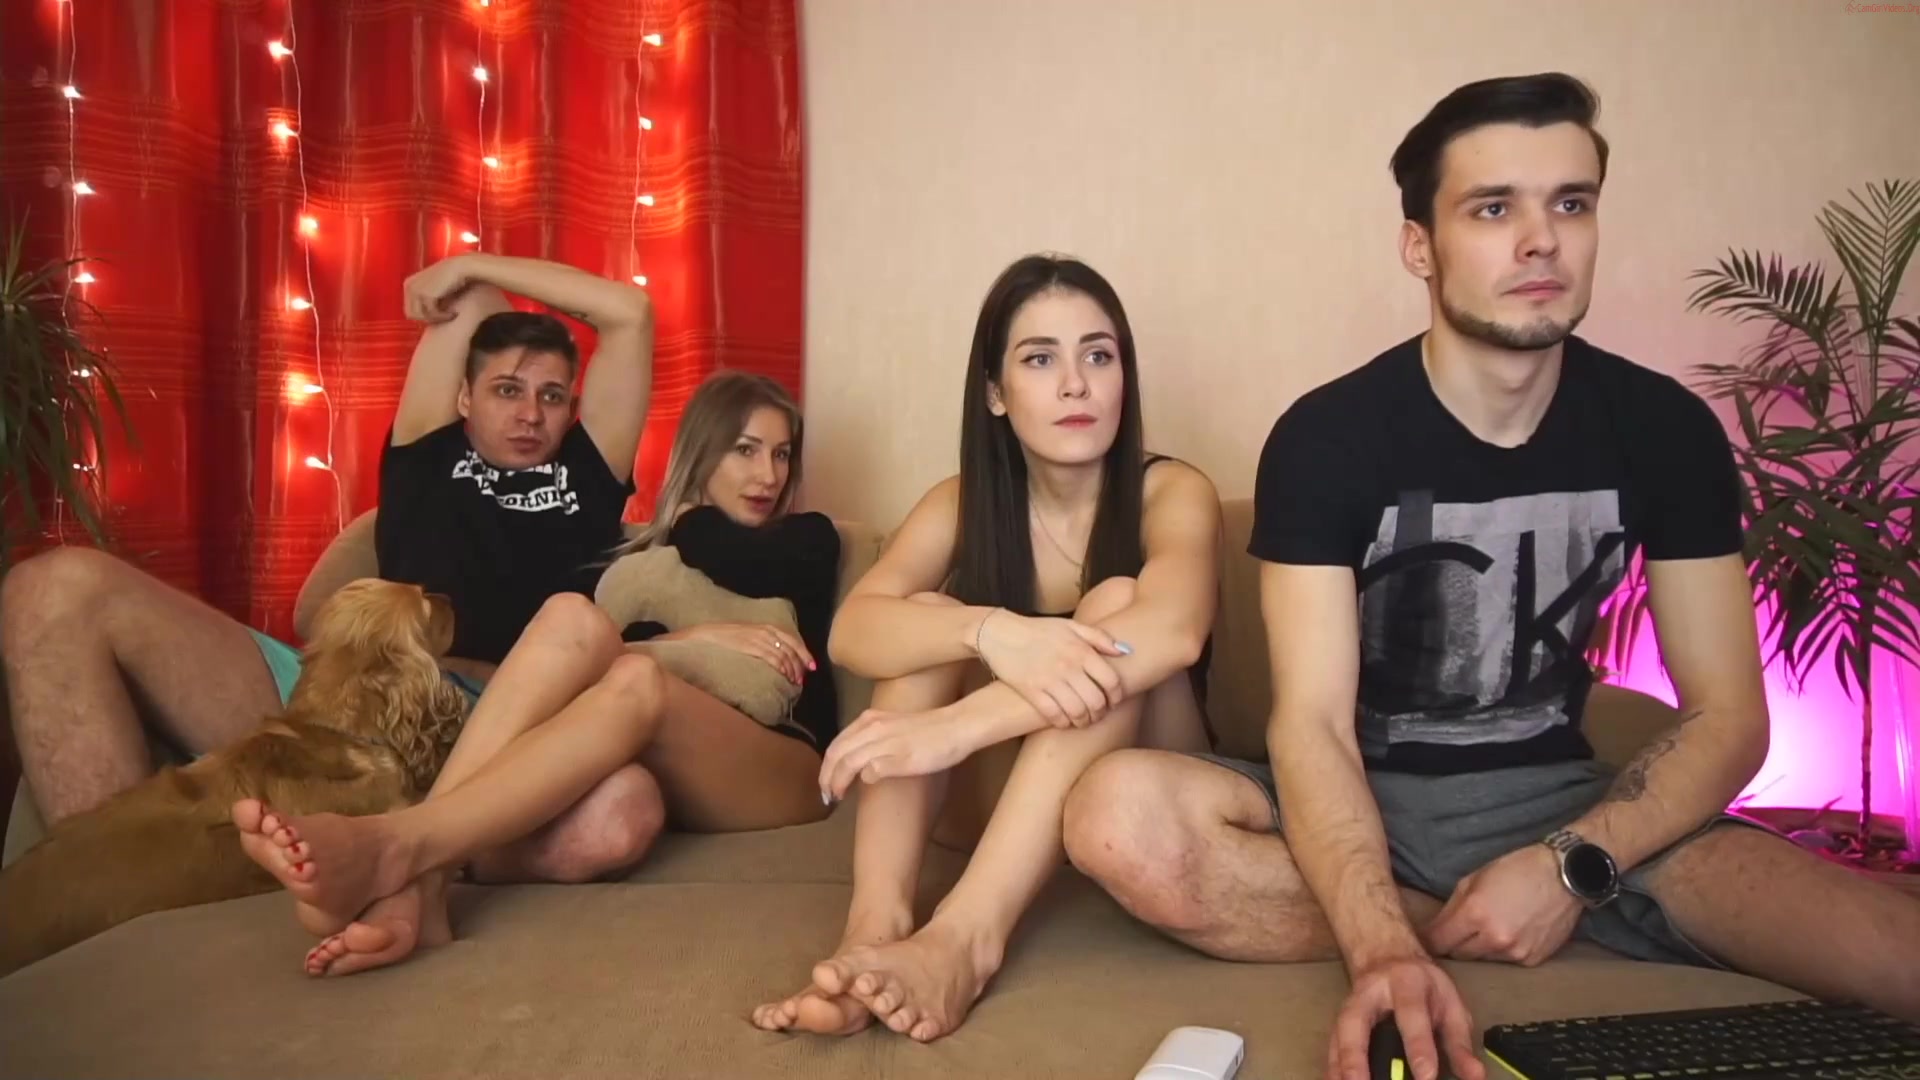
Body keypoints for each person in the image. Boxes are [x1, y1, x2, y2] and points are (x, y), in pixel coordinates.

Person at [1056, 71, 1920, 1080]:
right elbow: (1313, 724)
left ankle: (1526, 910)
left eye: (1571, 203)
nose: (1541, 240)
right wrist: (1380, 946)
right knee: (1117, 815)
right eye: (1494, 208)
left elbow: (1731, 718)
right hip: (1358, 809)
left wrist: (1569, 868)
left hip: (1571, 811)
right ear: (1419, 246)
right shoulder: (1328, 438)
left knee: (1895, 955)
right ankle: (1462, 923)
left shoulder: (1665, 431)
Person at [1, 253, 653, 829]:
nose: (530, 414)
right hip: (339, 693)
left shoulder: (588, 475)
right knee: (50, 587)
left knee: (615, 810)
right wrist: (471, 269)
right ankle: (99, 883)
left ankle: (423, 840)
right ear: (463, 397)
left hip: (487, 726)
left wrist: (475, 264)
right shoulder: (427, 455)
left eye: (552, 397)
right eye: (507, 390)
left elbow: (629, 312)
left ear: (572, 411)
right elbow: (469, 303)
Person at [751, 254, 1222, 1042]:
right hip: (1000, 805)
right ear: (996, 393)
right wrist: (990, 630)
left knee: (1114, 606)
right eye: (1040, 359)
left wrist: (955, 726)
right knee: (928, 618)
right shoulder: (961, 503)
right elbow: (853, 630)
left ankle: (965, 939)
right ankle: (872, 931)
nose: (1075, 385)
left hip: (1144, 793)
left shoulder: (1171, 491)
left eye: (1097, 356)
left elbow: (1175, 630)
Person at [236, 370, 841, 977]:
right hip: (669, 772)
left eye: (781, 453)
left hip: (782, 766)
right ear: (702, 451)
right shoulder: (639, 565)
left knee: (638, 681)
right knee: (595, 711)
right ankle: (424, 890)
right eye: (745, 450)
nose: (769, 476)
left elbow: (723, 553)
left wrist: (682, 519)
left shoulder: (808, 539)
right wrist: (686, 641)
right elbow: (589, 672)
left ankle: (396, 846)